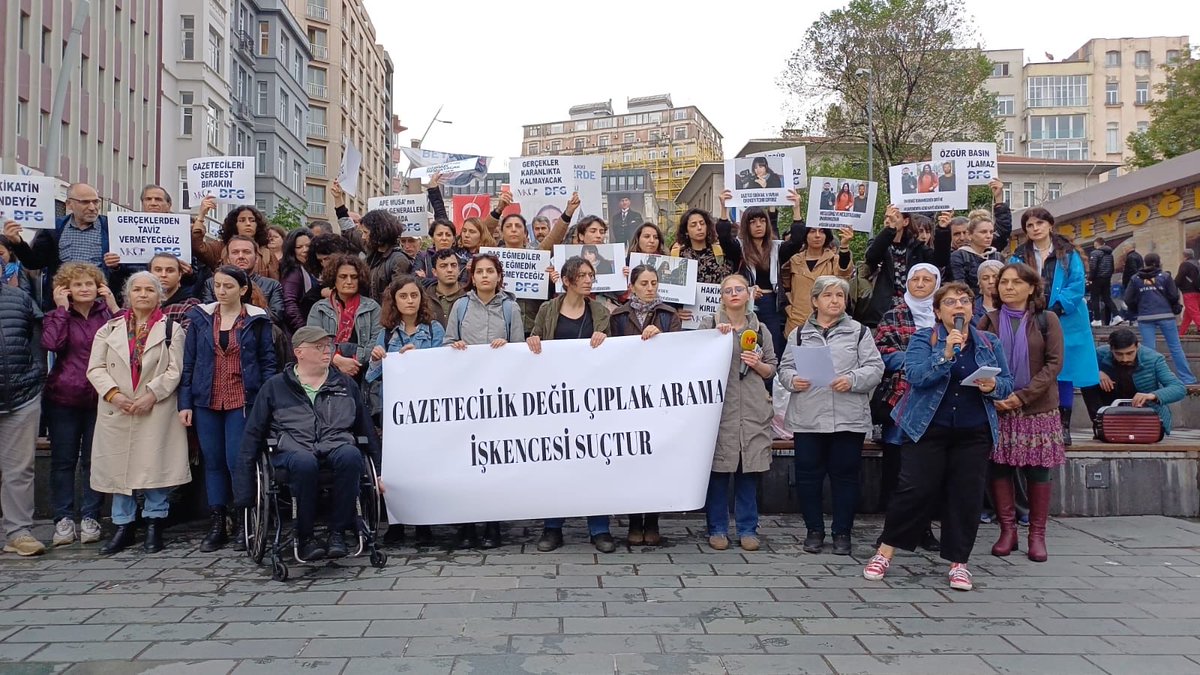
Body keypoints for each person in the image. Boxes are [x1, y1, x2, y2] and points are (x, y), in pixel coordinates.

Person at [863, 282, 1014, 592]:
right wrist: (945, 355)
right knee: (914, 489)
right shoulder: (924, 338)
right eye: (949, 302)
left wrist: (992, 387)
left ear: (973, 308)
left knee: (966, 496)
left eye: (963, 301)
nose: (958, 306)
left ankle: (959, 563)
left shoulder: (989, 341)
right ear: (937, 311)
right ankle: (885, 551)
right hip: (927, 428)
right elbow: (916, 376)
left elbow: (1007, 382)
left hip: (973, 431)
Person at [235, 325, 381, 561]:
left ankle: (338, 532)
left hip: (335, 444)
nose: (327, 351)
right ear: (299, 352)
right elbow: (252, 437)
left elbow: (366, 430)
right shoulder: (275, 387)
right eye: (319, 347)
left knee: (351, 456)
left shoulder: (345, 384)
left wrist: (380, 473)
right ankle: (305, 536)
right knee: (304, 463)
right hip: (292, 449)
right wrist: (244, 492)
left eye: (328, 346)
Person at [780, 276, 883, 556]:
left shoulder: (859, 332)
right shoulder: (799, 333)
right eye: (827, 295)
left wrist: (852, 379)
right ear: (815, 301)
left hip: (847, 417)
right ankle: (814, 530)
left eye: (839, 295)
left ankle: (842, 532)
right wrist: (793, 380)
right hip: (809, 416)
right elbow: (784, 368)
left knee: (845, 476)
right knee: (808, 477)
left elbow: (875, 368)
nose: (834, 300)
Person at [87, 272, 190, 555]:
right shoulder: (108, 329)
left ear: (160, 296)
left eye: (149, 290)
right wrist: (114, 395)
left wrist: (151, 395)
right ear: (127, 295)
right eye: (137, 290)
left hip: (154, 406)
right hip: (116, 408)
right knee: (119, 467)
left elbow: (175, 369)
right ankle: (124, 525)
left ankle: (155, 522)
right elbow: (95, 368)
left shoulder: (171, 329)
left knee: (153, 464)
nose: (143, 294)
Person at [180, 266, 278, 553]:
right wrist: (184, 403)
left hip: (242, 398)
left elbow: (267, 362)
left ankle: (243, 517)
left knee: (237, 460)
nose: (221, 292)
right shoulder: (201, 318)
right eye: (218, 286)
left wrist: (267, 400)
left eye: (228, 286)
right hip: (206, 398)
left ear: (243, 289)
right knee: (213, 461)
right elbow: (190, 363)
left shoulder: (257, 320)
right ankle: (218, 520)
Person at [978, 263, 1065, 562]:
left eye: (1016, 282)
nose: (1008, 287)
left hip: (1037, 409)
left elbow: (1054, 364)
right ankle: (1007, 531)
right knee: (999, 468)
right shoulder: (988, 321)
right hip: (997, 407)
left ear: (1031, 287)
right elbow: (977, 361)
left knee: (1038, 470)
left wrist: (1021, 397)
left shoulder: (1046, 320)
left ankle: (1037, 535)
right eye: (1003, 282)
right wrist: (995, 393)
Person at [527, 256, 614, 553]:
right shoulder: (548, 309)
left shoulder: (600, 311)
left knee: (594, 461)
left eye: (591, 275)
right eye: (583, 275)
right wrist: (533, 341)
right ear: (566, 280)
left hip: (590, 400)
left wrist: (605, 338)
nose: (589, 280)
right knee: (556, 464)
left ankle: (599, 528)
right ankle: (552, 528)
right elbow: (535, 338)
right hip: (555, 399)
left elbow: (612, 354)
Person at [443, 253, 524, 549]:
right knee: (466, 460)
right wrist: (456, 345)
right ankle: (467, 525)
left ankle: (493, 525)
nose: (486, 276)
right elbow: (447, 342)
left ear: (498, 276)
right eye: (480, 272)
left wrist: (507, 348)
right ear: (472, 276)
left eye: (491, 271)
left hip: (499, 396)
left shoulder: (511, 308)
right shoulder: (460, 306)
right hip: (467, 394)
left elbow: (520, 350)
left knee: (494, 460)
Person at [42, 263, 119, 547]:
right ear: (66, 290)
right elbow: (52, 343)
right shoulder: (55, 315)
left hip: (100, 396)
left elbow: (126, 339)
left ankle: (91, 516)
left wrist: (112, 304)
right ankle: (63, 519)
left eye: (89, 284)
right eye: (77, 285)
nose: (84, 289)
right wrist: (62, 310)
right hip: (64, 396)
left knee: (93, 460)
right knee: (63, 461)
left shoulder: (107, 315)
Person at [367, 275, 446, 548]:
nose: (410, 301)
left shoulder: (434, 329)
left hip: (425, 408)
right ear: (395, 301)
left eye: (414, 295)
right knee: (395, 466)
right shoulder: (387, 332)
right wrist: (376, 358)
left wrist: (420, 358)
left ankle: (423, 523)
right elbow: (370, 377)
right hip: (395, 411)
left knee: (422, 466)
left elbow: (442, 366)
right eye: (404, 296)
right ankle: (396, 522)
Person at [700, 275, 777, 551]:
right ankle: (717, 528)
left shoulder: (760, 328)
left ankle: (747, 528)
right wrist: (713, 342)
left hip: (753, 408)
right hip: (722, 409)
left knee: (748, 471)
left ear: (749, 294)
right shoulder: (709, 325)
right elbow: (696, 365)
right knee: (719, 472)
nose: (734, 294)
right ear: (721, 296)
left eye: (739, 289)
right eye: (728, 290)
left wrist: (757, 364)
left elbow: (772, 369)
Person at [1010, 207, 1099, 445]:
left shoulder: (1067, 253)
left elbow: (1076, 283)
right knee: (1036, 368)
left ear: (1050, 224)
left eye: (1039, 223)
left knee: (1065, 369)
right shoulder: (1019, 255)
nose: (1035, 228)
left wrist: (1057, 308)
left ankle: (1064, 425)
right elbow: (1012, 282)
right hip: (1030, 316)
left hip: (1067, 318)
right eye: (1029, 225)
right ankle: (1035, 423)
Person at [609, 264, 682, 546]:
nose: (650, 288)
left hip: (657, 396)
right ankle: (633, 522)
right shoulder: (618, 316)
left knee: (654, 459)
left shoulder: (668, 314)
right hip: (627, 397)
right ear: (632, 286)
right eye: (644, 283)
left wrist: (662, 339)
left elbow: (680, 352)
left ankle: (652, 522)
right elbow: (610, 352)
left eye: (654, 283)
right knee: (631, 460)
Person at [872, 263, 943, 550]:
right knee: (897, 470)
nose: (921, 284)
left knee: (928, 471)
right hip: (900, 399)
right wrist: (916, 362)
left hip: (937, 401)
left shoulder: (945, 315)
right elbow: (881, 352)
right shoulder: (894, 314)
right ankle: (892, 530)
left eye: (928, 279)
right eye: (916, 279)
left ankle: (923, 529)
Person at [4, 183, 125, 309]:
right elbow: (34, 263)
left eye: (96, 202)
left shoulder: (112, 227)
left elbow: (132, 267)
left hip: (100, 304)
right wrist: (17, 242)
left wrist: (117, 266)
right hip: (62, 304)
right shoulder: (53, 228)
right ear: (69, 204)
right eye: (85, 202)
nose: (92, 207)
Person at [0, 278, 48, 556]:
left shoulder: (19, 298)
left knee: (19, 469)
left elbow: (37, 337)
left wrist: (37, 374)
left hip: (21, 395)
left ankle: (19, 532)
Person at [1082, 328, 1187, 436]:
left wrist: (1152, 395)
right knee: (1087, 382)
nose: (1125, 359)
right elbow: (1080, 369)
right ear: (1111, 349)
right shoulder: (1100, 354)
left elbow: (1179, 388)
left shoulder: (1154, 359)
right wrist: (1096, 373)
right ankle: (1100, 425)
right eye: (1118, 354)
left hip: (1145, 414)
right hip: (1112, 411)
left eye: (1130, 353)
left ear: (1137, 346)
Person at [1124, 253, 1197, 385]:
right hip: (1166, 315)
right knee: (1175, 347)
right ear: (1158, 262)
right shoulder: (1165, 276)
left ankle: (1152, 381)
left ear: (1145, 263)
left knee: (1149, 350)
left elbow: (1128, 299)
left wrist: (1137, 309)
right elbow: (1174, 295)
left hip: (1145, 317)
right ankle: (1187, 378)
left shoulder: (1135, 278)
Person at [307, 254, 382, 382]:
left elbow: (377, 341)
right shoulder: (319, 308)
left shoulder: (372, 307)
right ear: (334, 279)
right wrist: (336, 359)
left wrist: (354, 361)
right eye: (343, 277)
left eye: (354, 277)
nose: (349, 281)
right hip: (326, 374)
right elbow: (312, 341)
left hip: (364, 374)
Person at [861, 206, 936, 327]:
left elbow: (940, 261)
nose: (889, 219)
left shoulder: (917, 247)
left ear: (906, 221)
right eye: (887, 217)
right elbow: (871, 257)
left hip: (912, 312)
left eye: (895, 217)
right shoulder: (879, 244)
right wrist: (890, 230)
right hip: (882, 311)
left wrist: (944, 230)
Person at [201, 236, 285, 323]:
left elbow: (276, 317)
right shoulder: (212, 283)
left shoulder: (272, 285)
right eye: (235, 252)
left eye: (246, 252)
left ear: (256, 258)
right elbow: (207, 315)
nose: (241, 256)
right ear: (228, 258)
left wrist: (259, 304)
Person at [736, 207, 784, 358]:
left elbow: (797, 239)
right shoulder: (740, 248)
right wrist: (724, 209)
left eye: (763, 221)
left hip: (771, 303)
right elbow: (724, 238)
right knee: (747, 345)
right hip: (748, 303)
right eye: (753, 222)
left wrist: (796, 207)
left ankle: (769, 380)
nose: (758, 225)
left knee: (772, 347)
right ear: (746, 225)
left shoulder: (776, 247)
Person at [193, 203, 279, 280]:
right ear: (234, 224)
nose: (248, 223)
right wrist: (201, 216)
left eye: (252, 220)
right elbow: (197, 247)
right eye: (242, 220)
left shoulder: (267, 254)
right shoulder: (220, 248)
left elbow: (275, 284)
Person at [671, 208, 733, 286]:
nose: (699, 227)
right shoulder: (677, 255)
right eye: (693, 225)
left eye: (702, 223)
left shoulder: (720, 252)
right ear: (686, 231)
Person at [279, 227, 319, 334]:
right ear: (292, 250)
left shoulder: (310, 268)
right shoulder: (293, 272)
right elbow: (289, 303)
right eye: (299, 247)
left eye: (308, 246)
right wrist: (303, 330)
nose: (305, 250)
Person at [949, 214, 1002, 293]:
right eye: (983, 232)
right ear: (970, 235)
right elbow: (959, 285)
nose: (988, 236)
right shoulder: (959, 256)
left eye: (991, 232)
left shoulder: (998, 256)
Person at [152, 253, 203, 327]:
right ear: (150, 273)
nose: (163, 275)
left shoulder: (190, 306)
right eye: (158, 270)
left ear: (180, 275)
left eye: (170, 270)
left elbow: (188, 336)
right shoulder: (140, 303)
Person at [413, 220, 470, 286]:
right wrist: (448, 280)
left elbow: (462, 285)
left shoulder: (462, 260)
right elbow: (415, 280)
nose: (444, 238)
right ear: (433, 238)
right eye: (439, 235)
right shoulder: (423, 257)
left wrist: (427, 279)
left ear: (454, 239)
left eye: (448, 235)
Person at [425, 249, 468, 326]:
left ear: (459, 269)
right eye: (443, 266)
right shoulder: (425, 299)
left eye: (453, 265)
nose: (449, 270)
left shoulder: (470, 296)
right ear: (434, 272)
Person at [1088, 237, 1120, 327]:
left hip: (1097, 278)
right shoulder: (1110, 254)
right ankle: (1117, 316)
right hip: (1107, 278)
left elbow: (1093, 267)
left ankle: (1097, 319)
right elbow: (1112, 267)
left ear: (1096, 244)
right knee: (1107, 298)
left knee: (1095, 298)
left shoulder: (1095, 253)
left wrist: (1090, 278)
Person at [972, 259, 1004, 324]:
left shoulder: (1013, 307)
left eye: (995, 277)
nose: (991, 281)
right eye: (985, 278)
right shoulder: (971, 309)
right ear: (979, 283)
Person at [1177, 249, 1200, 336]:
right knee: (1188, 315)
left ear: (1184, 256)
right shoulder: (1197, 264)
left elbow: (1179, 278)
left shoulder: (1185, 264)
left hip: (1189, 292)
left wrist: (1174, 284)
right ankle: (1181, 333)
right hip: (1198, 292)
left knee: (1194, 312)